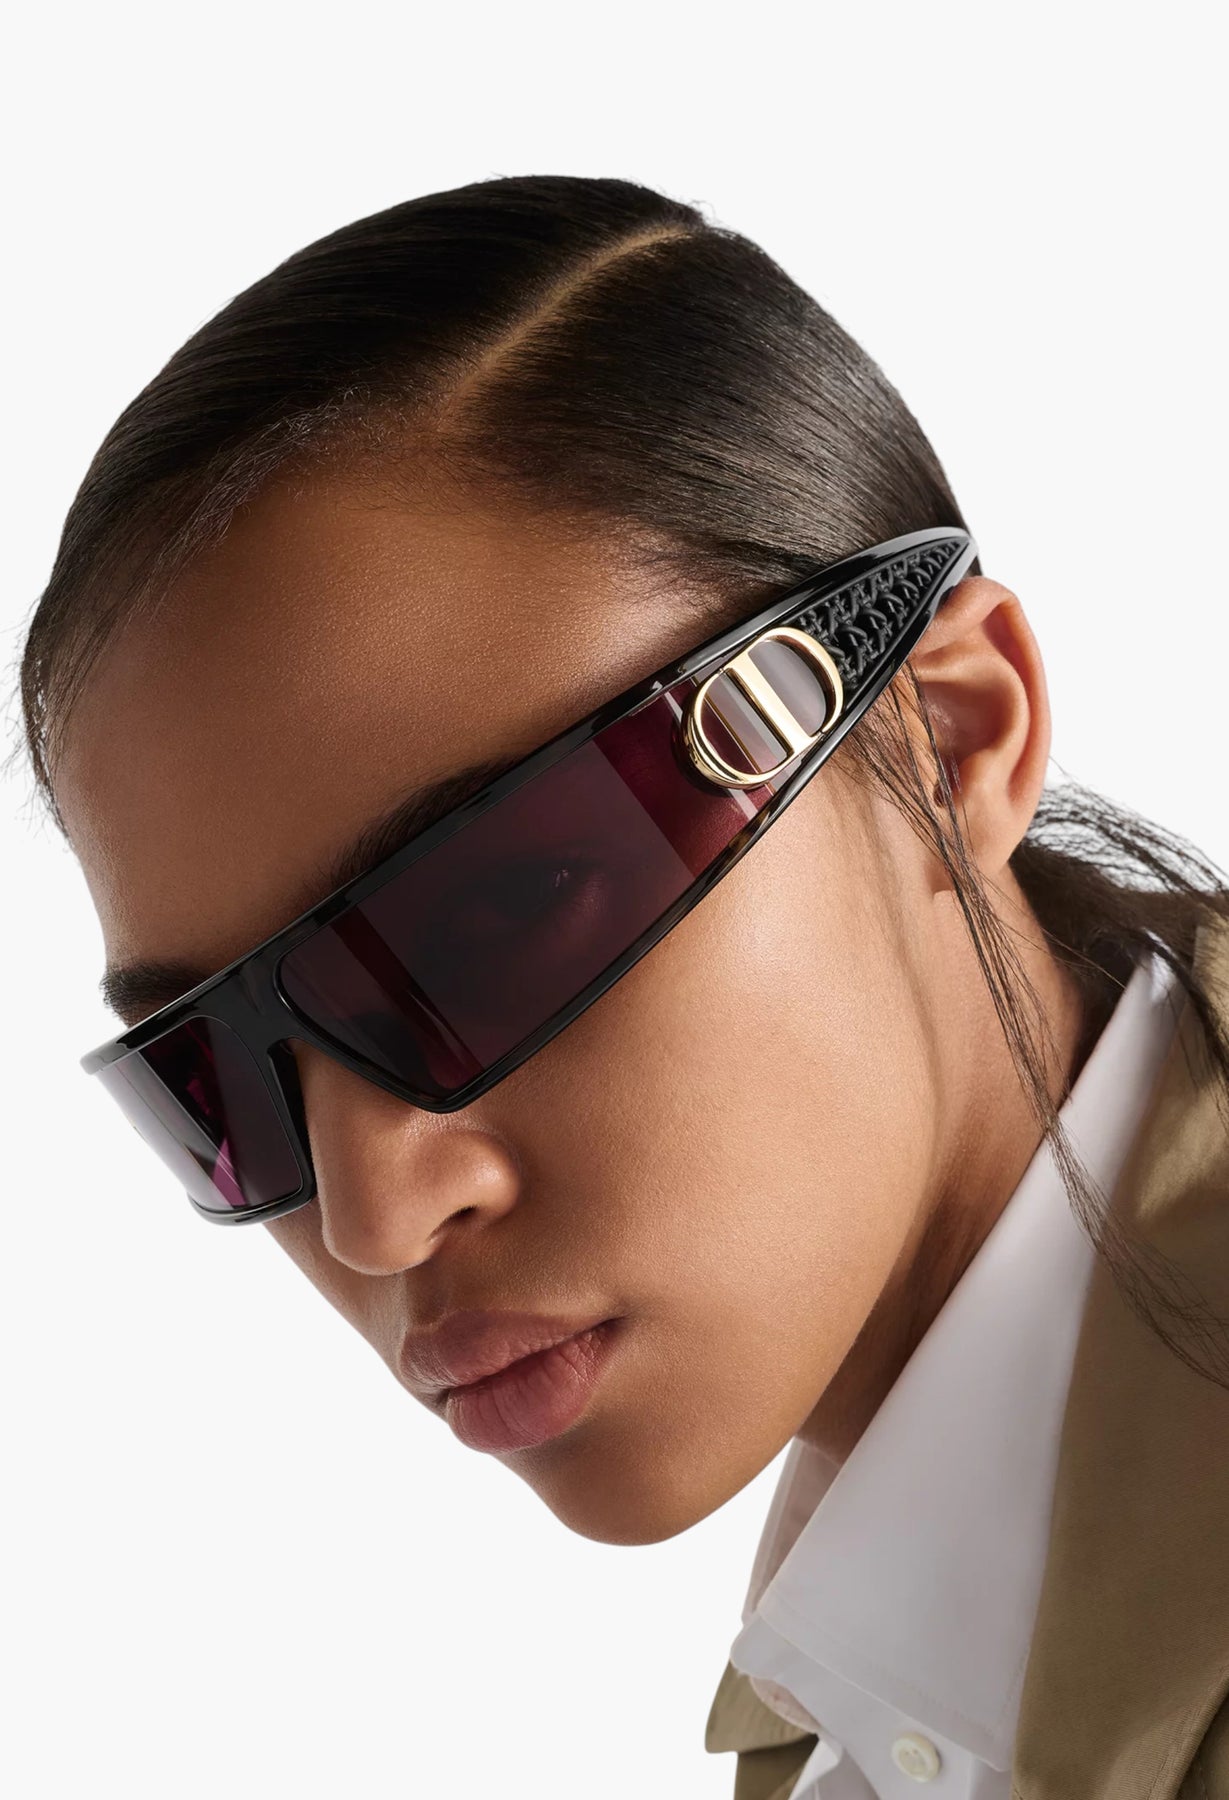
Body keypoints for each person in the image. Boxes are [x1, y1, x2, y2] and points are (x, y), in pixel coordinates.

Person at [13, 174, 1229, 1798]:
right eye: (221, 1082)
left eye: (500, 910)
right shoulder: (893, 1686)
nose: (376, 1218)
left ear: (945, 740)